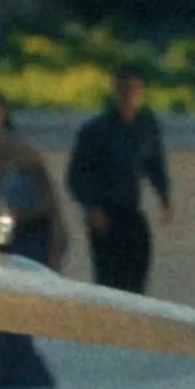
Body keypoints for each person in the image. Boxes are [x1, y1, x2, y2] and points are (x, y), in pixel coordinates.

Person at [0, 86, 65, 389]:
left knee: (14, 312)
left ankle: (35, 382)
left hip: (34, 232)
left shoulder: (21, 150)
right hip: (6, 233)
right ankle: (9, 380)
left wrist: (55, 249)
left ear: (4, 114)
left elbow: (50, 202)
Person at [67, 65, 172, 294]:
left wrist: (164, 197)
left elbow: (154, 163)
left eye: (134, 89)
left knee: (136, 276)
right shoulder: (96, 130)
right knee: (109, 281)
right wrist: (92, 208)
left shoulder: (146, 126)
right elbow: (77, 175)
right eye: (125, 88)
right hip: (104, 214)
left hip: (131, 211)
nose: (129, 95)